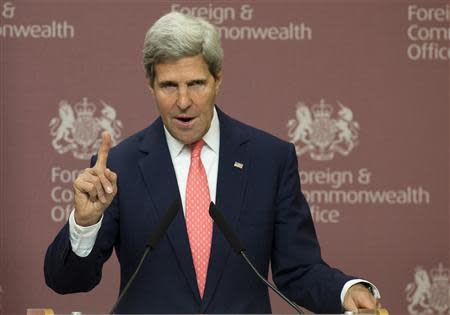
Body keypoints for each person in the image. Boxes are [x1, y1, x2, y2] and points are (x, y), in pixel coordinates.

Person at [44, 12, 380, 314]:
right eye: (169, 86)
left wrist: (345, 291)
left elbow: (299, 269)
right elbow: (67, 281)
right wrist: (84, 224)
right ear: (150, 86)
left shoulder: (269, 159)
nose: (183, 102)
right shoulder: (120, 166)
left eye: (196, 84)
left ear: (217, 79)